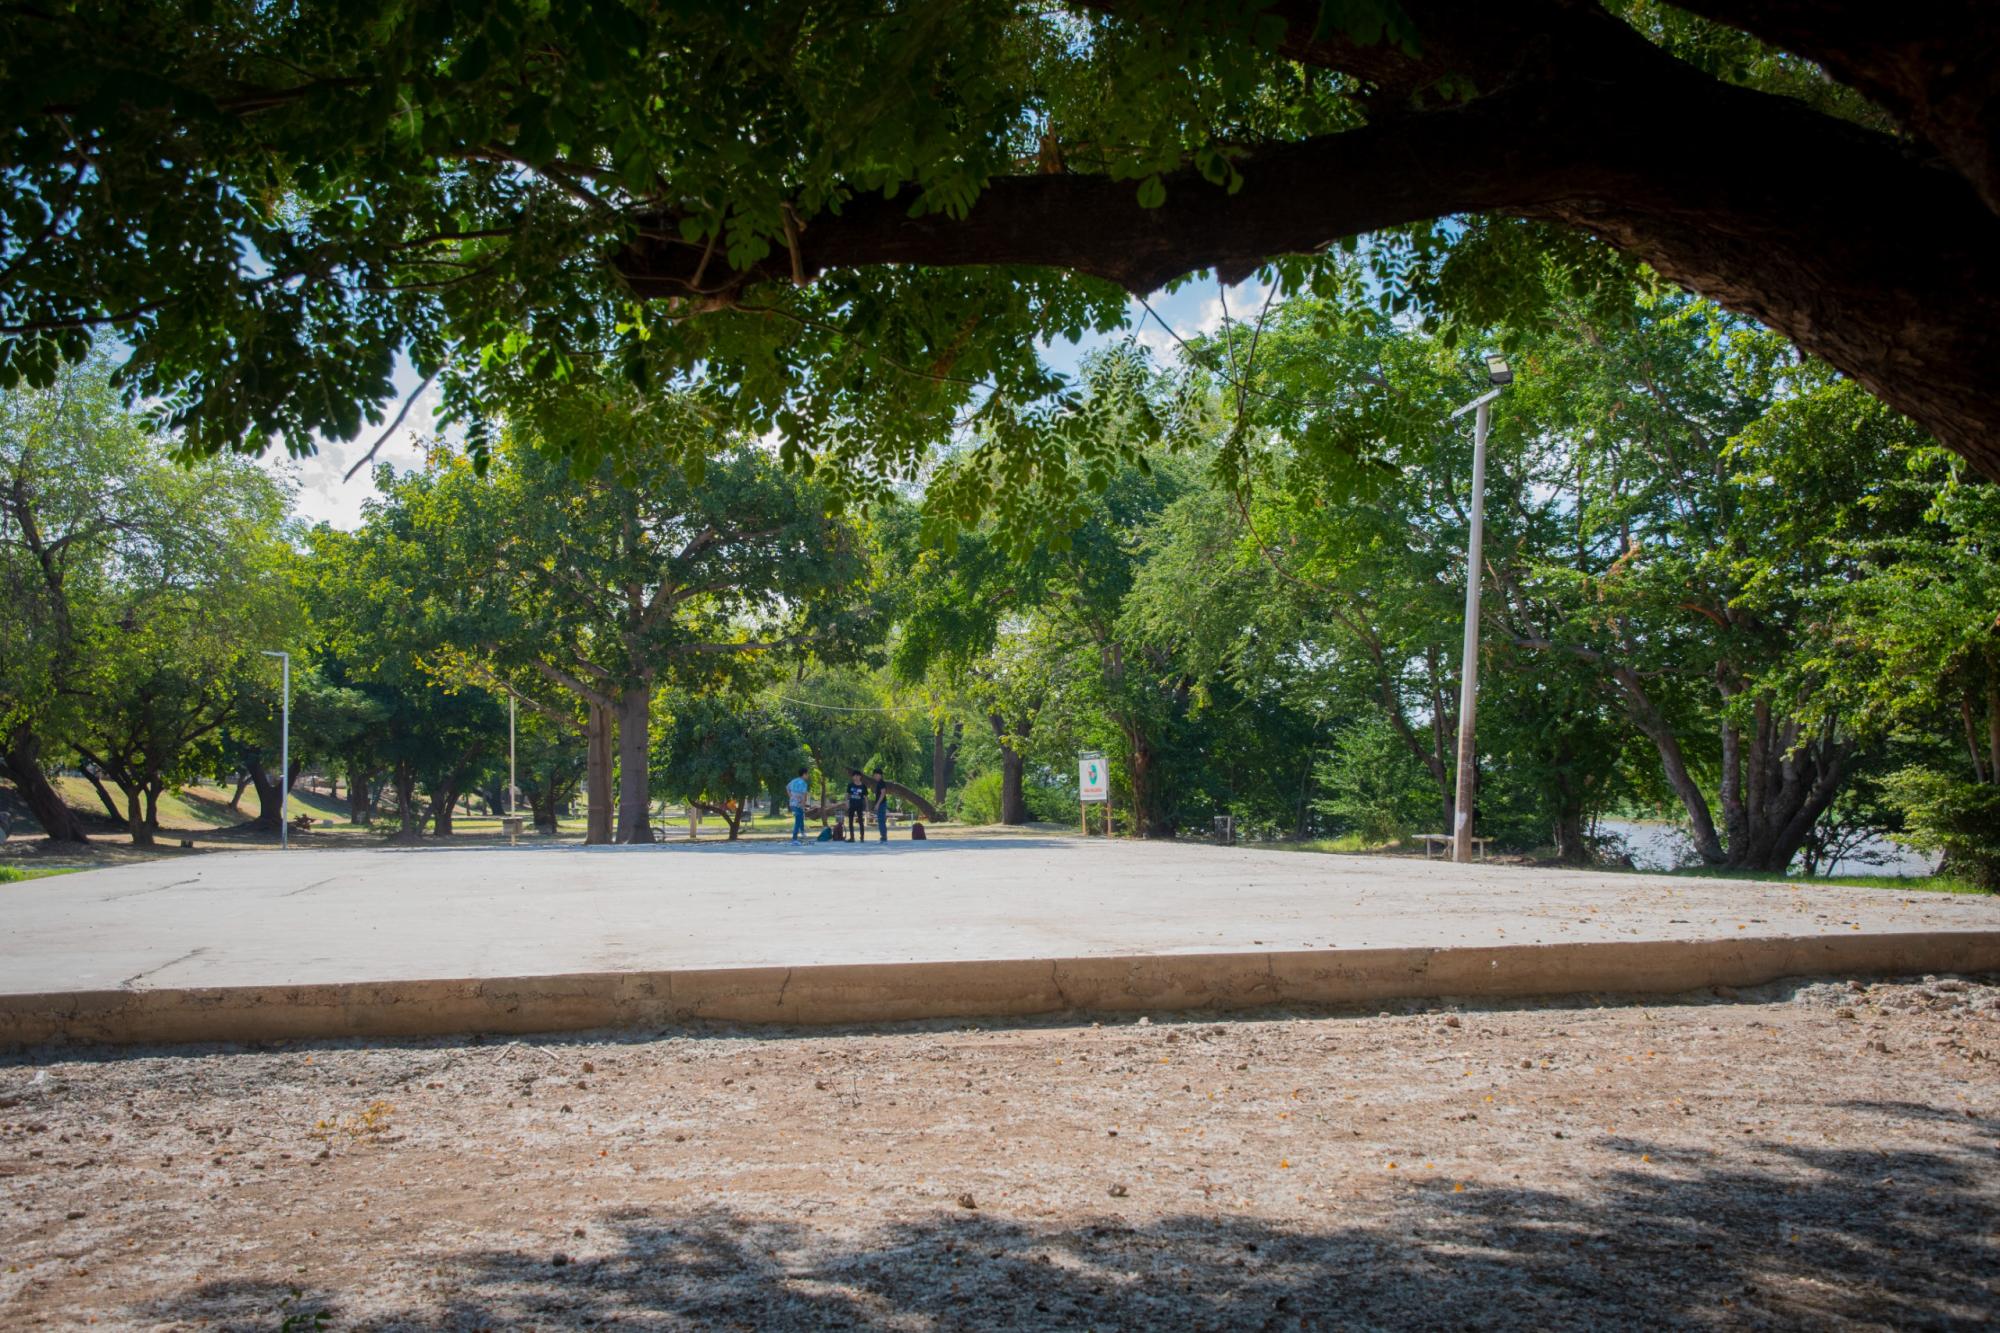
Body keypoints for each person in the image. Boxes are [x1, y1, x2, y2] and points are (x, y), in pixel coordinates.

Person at [786, 766, 810, 843]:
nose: (808, 775)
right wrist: (803, 805)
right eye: (807, 774)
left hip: (792, 803)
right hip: (799, 804)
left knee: (800, 818)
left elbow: (787, 787)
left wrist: (791, 797)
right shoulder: (803, 783)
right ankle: (794, 838)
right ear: (804, 774)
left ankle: (802, 832)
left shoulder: (793, 781)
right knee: (798, 821)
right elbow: (804, 795)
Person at [845, 768, 868, 844]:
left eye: (858, 776)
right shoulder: (850, 785)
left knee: (861, 821)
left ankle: (862, 837)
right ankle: (852, 838)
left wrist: (867, 806)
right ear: (853, 777)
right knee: (850, 821)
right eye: (854, 776)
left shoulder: (863, 786)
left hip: (859, 805)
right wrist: (847, 803)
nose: (856, 777)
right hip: (852, 805)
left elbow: (865, 797)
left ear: (860, 777)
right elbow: (847, 795)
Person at [872, 769, 890, 843]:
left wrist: (877, 804)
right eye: (874, 775)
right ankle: (883, 836)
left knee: (881, 820)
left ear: (879, 775)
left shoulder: (881, 782)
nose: (874, 776)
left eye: (876, 775)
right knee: (880, 820)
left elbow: (883, 793)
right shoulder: (879, 783)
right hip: (881, 803)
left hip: (882, 804)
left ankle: (884, 836)